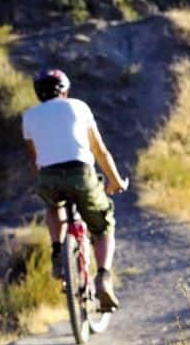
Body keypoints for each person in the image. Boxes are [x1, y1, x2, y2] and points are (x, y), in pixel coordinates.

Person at [22, 68, 128, 311]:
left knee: (53, 205)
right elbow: (100, 151)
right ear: (66, 89)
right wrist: (116, 181)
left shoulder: (29, 116)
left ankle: (58, 252)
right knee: (103, 226)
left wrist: (44, 184)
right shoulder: (78, 107)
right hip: (81, 172)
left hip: (48, 176)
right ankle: (103, 276)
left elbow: (34, 158)